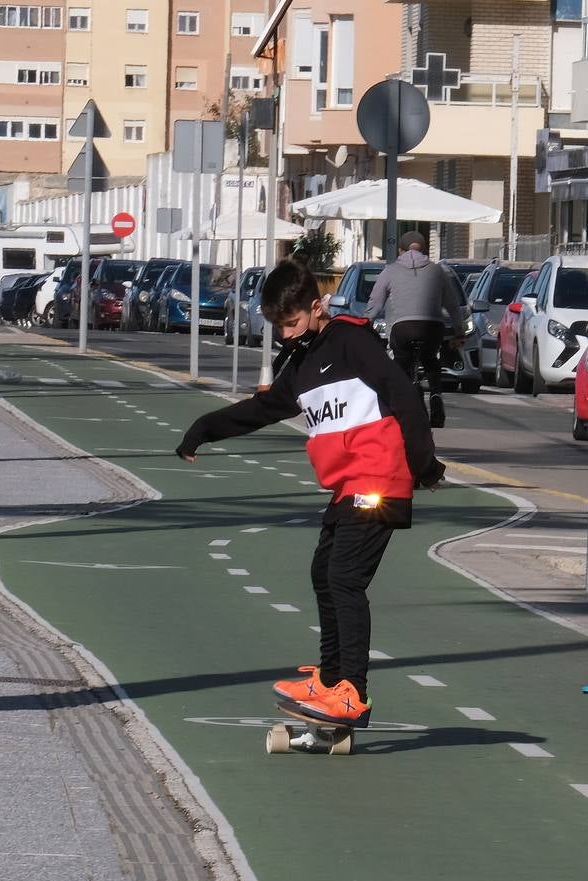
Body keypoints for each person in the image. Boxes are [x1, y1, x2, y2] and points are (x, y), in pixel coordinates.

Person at [176, 259, 446, 727]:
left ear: (316, 307)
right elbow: (266, 408)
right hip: (347, 484)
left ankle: (351, 693)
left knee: (344, 578)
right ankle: (328, 680)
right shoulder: (301, 363)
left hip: (379, 479)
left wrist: (425, 465)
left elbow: (403, 395)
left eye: (292, 323)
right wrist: (204, 428)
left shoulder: (352, 341)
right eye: (278, 327)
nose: (285, 334)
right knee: (323, 573)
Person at [365, 231, 466, 428]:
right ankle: (436, 394)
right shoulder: (438, 271)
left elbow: (375, 303)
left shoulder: (390, 270)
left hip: (402, 328)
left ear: (400, 251)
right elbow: (452, 304)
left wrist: (364, 323)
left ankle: (408, 405)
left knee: (402, 365)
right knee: (430, 360)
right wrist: (458, 331)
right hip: (432, 327)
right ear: (426, 250)